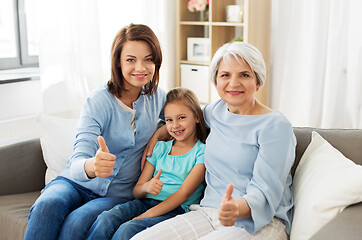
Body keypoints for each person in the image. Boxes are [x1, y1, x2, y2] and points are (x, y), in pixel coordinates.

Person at [133, 42, 296, 240]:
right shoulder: (214, 112)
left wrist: (236, 207)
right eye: (225, 75)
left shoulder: (275, 126)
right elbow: (184, 122)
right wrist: (158, 135)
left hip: (260, 221)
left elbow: (265, 189)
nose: (233, 83)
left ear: (258, 81)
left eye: (244, 75)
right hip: (207, 212)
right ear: (216, 80)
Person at [24, 23, 167, 240]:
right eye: (130, 60)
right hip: (75, 183)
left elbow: (189, 116)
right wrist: (93, 165)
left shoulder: (158, 98)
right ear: (118, 62)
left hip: (116, 194)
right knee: (47, 204)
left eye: (148, 59)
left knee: (77, 222)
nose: (141, 67)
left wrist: (160, 132)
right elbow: (78, 158)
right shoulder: (99, 100)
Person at [85, 87, 207, 240]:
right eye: (169, 120)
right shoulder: (160, 148)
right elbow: (137, 191)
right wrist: (146, 187)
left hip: (175, 210)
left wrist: (147, 215)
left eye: (181, 117)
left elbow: (184, 194)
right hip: (145, 202)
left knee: (127, 230)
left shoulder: (201, 152)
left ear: (196, 117)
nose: (175, 125)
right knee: (106, 219)